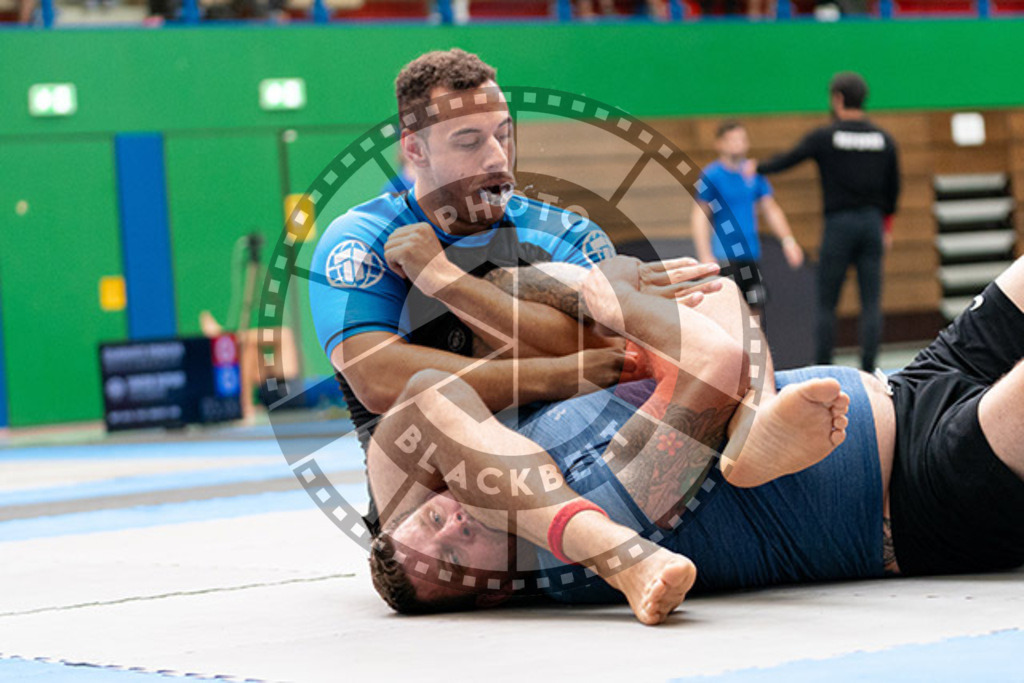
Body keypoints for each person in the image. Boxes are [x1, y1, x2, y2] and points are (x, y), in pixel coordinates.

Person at [367, 252, 1024, 615]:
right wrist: (617, 304)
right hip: (926, 489)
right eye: (454, 557)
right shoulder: (596, 513)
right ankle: (751, 425)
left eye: (430, 522)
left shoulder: (521, 448)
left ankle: (754, 420)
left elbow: (411, 417)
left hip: (914, 382)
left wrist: (572, 341)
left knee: (710, 302)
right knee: (707, 326)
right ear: (493, 588)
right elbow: (712, 361)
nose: (451, 525)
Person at [309, 49, 629, 535]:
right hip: (436, 510)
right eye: (469, 141)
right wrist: (556, 374)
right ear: (415, 150)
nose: (497, 156)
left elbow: (612, 355)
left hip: (570, 463)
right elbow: (377, 377)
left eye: (504, 134)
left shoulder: (562, 232)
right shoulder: (363, 238)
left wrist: (446, 279)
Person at [750, 72, 900, 371]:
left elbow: (789, 159)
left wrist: (756, 167)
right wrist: (886, 227)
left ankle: (824, 369)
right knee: (871, 302)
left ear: (838, 99)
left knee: (827, 302)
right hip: (872, 225)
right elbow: (893, 188)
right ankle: (869, 370)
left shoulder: (826, 136)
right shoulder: (884, 139)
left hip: (839, 225)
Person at [692, 120, 803, 313]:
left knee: (755, 310)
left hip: (751, 253)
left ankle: (754, 344)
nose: (737, 144)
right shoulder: (713, 175)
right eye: (731, 140)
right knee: (728, 311)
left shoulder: (753, 174)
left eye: (741, 139)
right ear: (720, 144)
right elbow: (700, 215)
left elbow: (771, 209)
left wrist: (788, 241)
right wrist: (705, 254)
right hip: (724, 255)